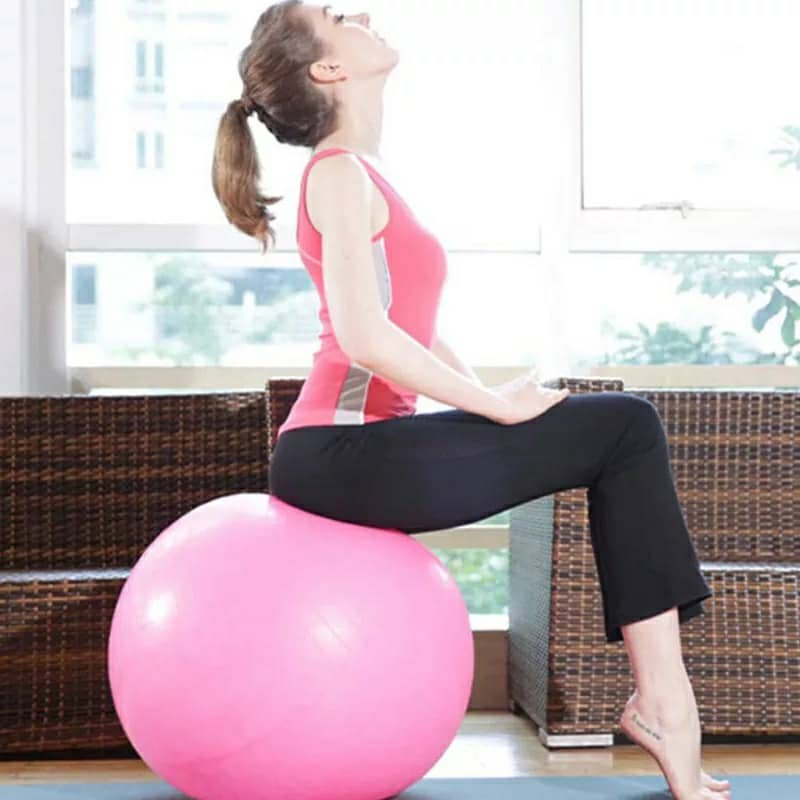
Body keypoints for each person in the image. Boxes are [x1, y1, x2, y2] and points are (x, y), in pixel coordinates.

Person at [210, 4, 729, 798]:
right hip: (339, 453)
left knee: (621, 430)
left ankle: (663, 702)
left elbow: (408, 327)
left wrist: (490, 396)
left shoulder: (361, 173)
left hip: (358, 449)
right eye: (338, 15)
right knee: (626, 427)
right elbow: (365, 338)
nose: (361, 12)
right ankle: (664, 703)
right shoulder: (337, 174)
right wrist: (496, 409)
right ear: (328, 68)